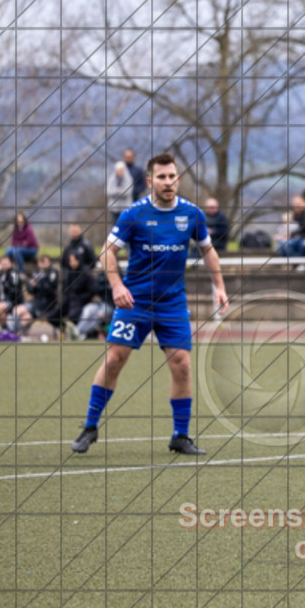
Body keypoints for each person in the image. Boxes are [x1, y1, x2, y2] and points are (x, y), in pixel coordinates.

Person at [70, 152, 229, 456]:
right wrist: (117, 286)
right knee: (115, 359)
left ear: (178, 179)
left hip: (172, 303)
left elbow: (208, 251)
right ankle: (90, 426)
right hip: (136, 302)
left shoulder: (192, 214)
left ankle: (180, 436)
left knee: (182, 365)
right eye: (161, 177)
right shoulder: (134, 214)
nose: (168, 182)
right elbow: (106, 252)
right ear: (149, 181)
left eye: (172, 176)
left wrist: (219, 287)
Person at [14, 254, 61, 336]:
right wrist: (31, 285)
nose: (42, 263)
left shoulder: (52, 273)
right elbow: (30, 290)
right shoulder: (36, 273)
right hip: (35, 302)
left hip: (47, 303)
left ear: (49, 262)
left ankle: (19, 335)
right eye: (40, 261)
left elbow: (49, 289)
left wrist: (37, 285)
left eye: (44, 261)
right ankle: (17, 333)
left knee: (25, 317)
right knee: (17, 310)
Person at [61, 253, 95, 334]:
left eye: (73, 260)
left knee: (72, 316)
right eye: (70, 261)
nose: (72, 263)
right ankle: (65, 330)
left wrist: (81, 297)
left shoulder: (86, 273)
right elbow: (65, 289)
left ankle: (76, 333)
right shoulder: (68, 273)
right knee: (53, 315)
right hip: (69, 300)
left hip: (81, 301)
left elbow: (92, 290)